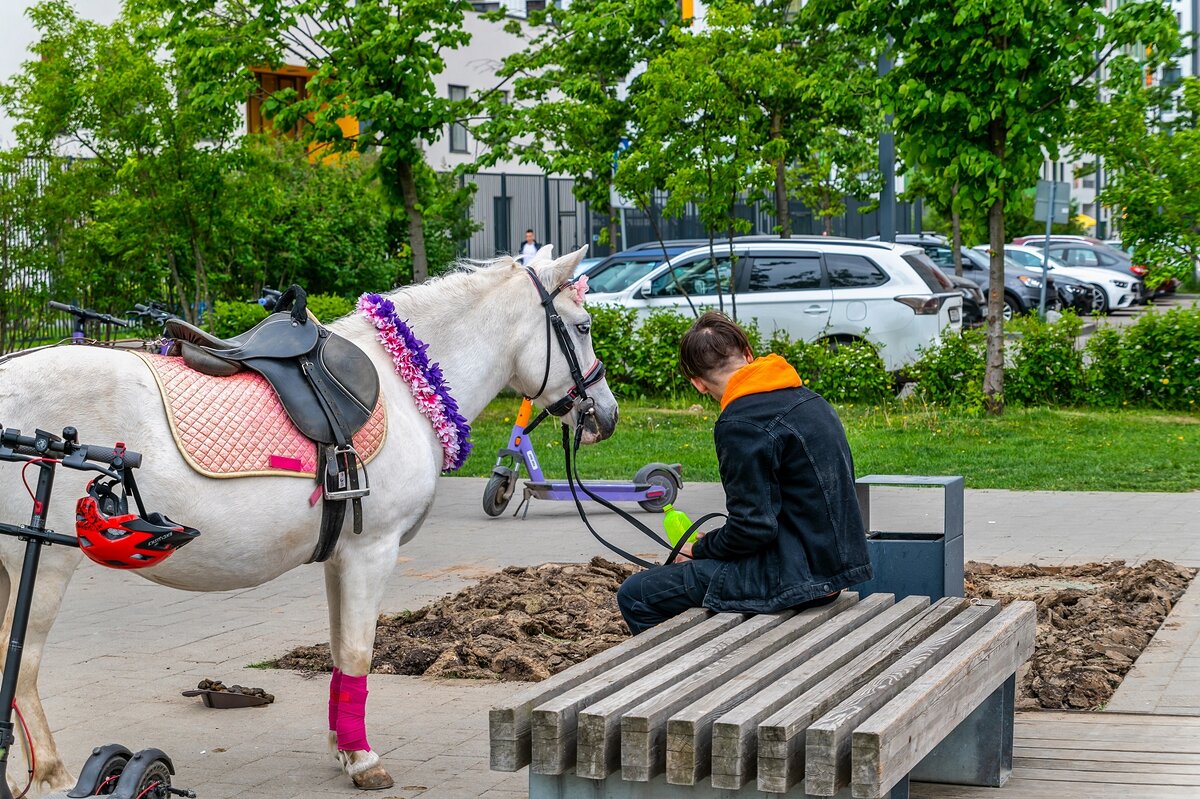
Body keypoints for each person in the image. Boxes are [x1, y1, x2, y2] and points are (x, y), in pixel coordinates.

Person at [616, 311, 872, 635]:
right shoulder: (810, 400)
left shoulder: (741, 422)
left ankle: (685, 675)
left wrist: (697, 549)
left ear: (697, 383)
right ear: (748, 355)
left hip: (791, 580)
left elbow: (754, 528)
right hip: (831, 570)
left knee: (636, 594)